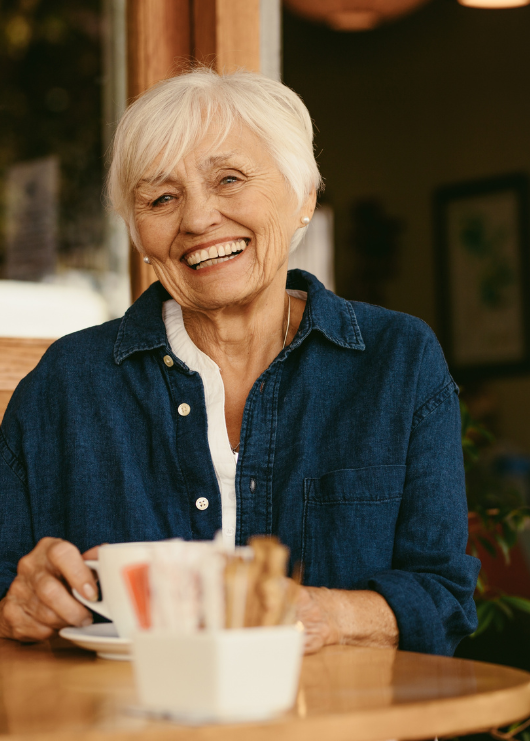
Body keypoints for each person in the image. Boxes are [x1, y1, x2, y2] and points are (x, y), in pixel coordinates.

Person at [0, 68, 479, 653]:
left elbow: (443, 597)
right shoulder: (67, 384)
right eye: (162, 198)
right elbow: (8, 595)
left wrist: (324, 613)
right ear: (138, 234)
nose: (198, 219)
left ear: (303, 197)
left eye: (229, 179)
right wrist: (16, 605)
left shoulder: (396, 361)